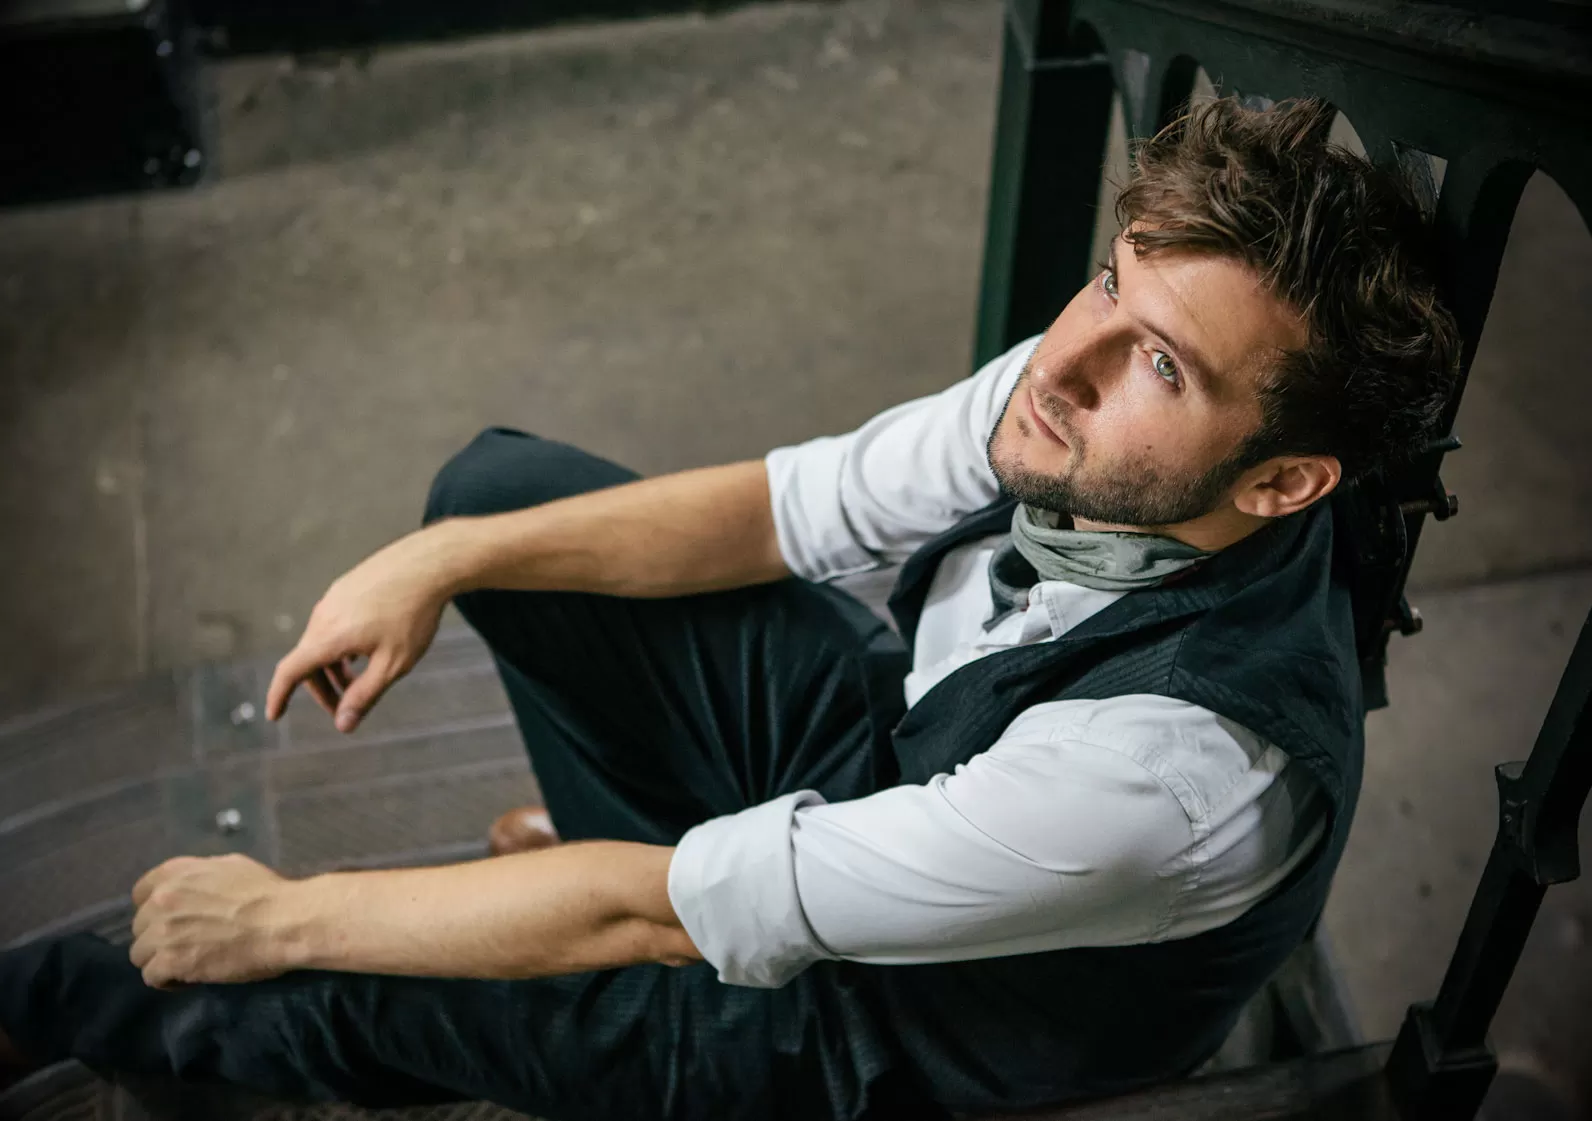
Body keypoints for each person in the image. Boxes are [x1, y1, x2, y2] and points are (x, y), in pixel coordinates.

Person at [0, 96, 1459, 1121]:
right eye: (1109, 282)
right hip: (896, 773)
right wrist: (438, 559)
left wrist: (284, 915)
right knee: (497, 500)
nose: (1068, 361)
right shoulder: (1088, 403)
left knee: (334, 978)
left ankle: (41, 1004)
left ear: (1285, 482)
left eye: (1164, 365)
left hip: (886, 1035)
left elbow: (651, 916)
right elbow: (780, 509)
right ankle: (565, 845)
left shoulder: (1167, 776)